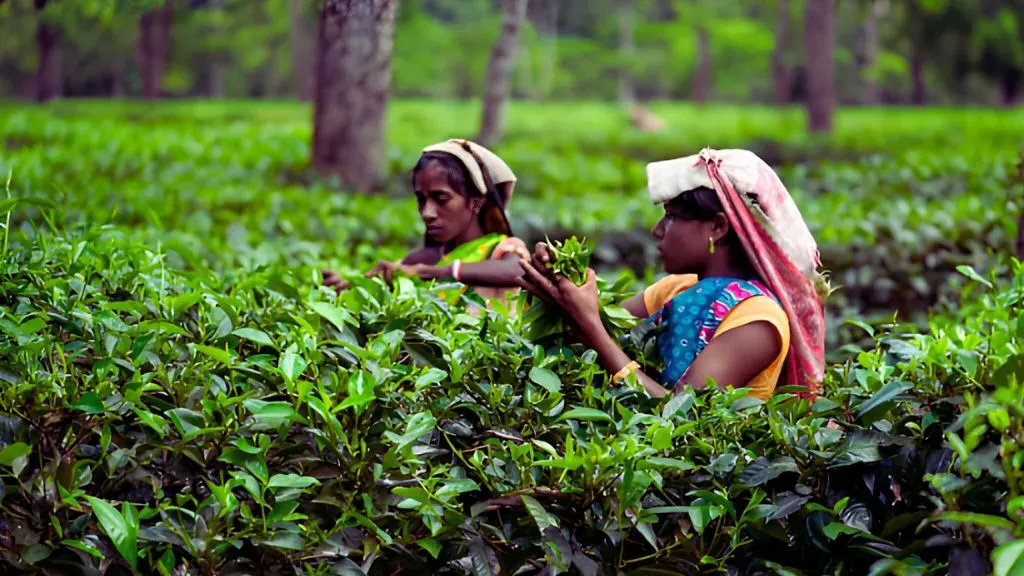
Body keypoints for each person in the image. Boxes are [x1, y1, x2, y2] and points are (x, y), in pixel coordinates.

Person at [518, 148, 827, 400]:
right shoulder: (677, 288)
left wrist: (590, 327)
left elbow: (680, 414)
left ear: (718, 227)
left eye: (672, 217)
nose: (657, 231)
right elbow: (598, 322)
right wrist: (558, 274)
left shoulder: (757, 318)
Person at [322, 139, 530, 305]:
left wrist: (435, 272)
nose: (427, 213)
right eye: (421, 199)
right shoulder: (424, 258)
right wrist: (347, 284)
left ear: (475, 203)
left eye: (441, 199)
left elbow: (519, 271)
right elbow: (385, 281)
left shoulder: (503, 250)